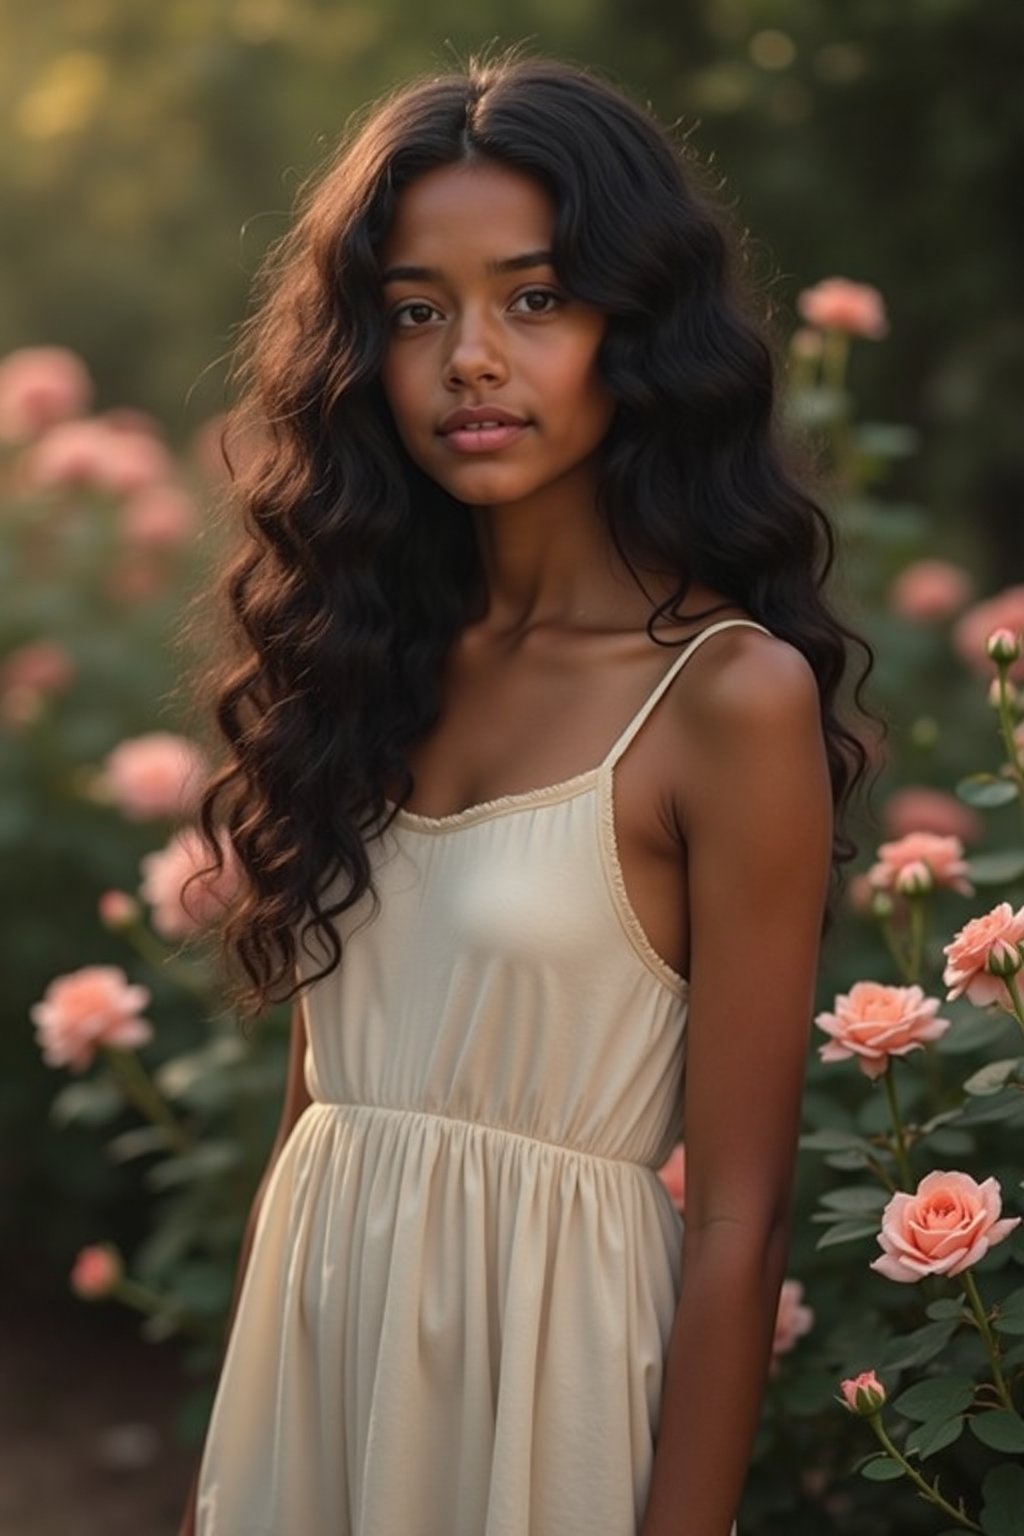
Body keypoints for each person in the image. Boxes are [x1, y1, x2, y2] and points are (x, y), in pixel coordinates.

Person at [179, 47, 871, 1536]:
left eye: (534, 300)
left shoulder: (725, 701)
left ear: (636, 327)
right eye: (417, 311)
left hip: (545, 1406)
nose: (469, 359)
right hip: (317, 1375)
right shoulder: (363, 662)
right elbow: (319, 1121)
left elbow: (740, 1222)